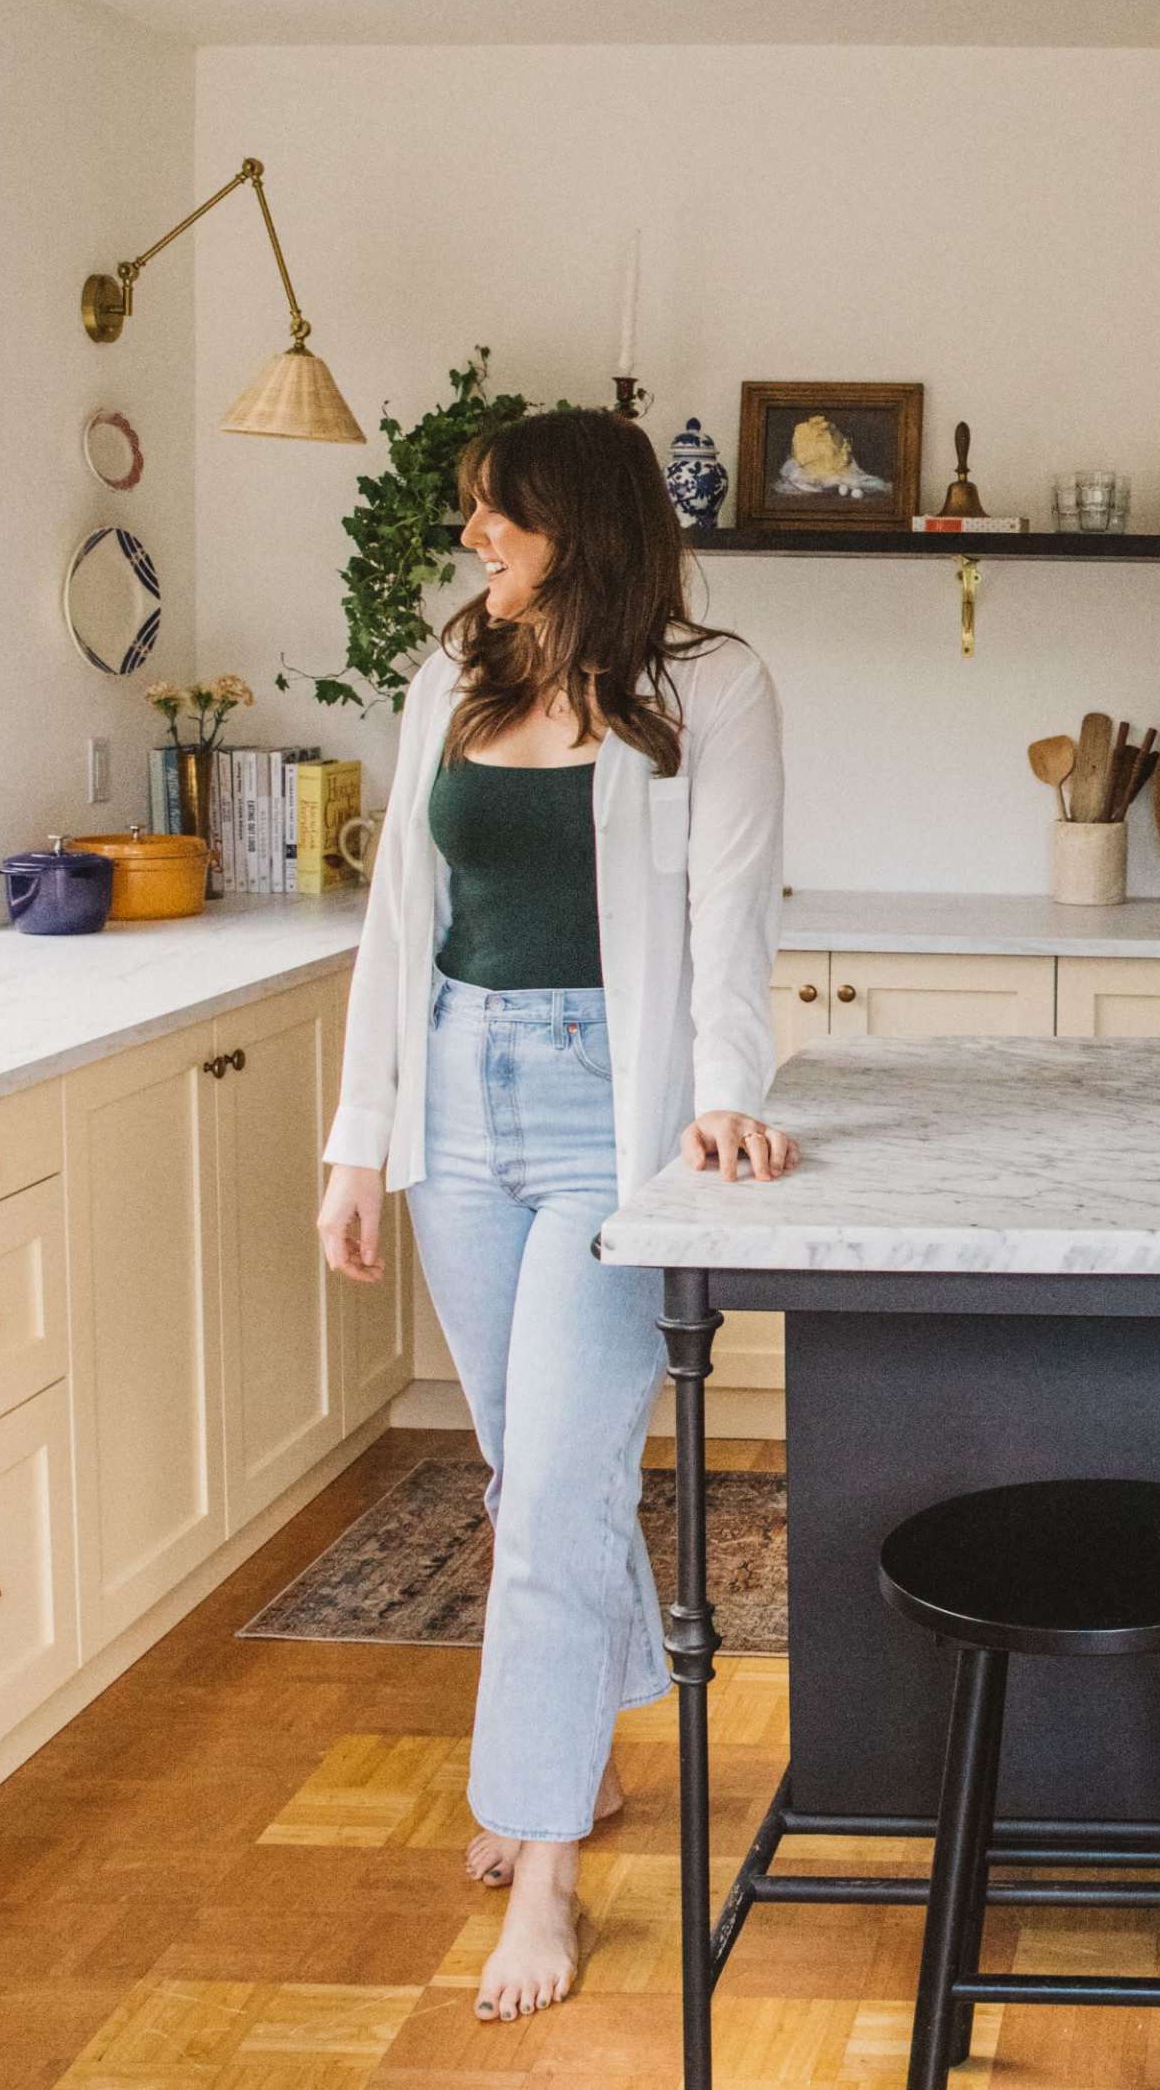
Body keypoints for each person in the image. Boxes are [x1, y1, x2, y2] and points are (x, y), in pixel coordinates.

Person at [316, 406, 792, 2021]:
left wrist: (727, 1090)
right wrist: (354, 1138)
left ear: (575, 527)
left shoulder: (709, 685)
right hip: (457, 1101)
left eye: (494, 519)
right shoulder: (451, 676)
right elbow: (399, 916)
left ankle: (542, 1869)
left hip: (616, 1111)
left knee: (559, 1491)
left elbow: (732, 910)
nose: (474, 543)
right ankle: (569, 1764)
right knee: (536, 1473)